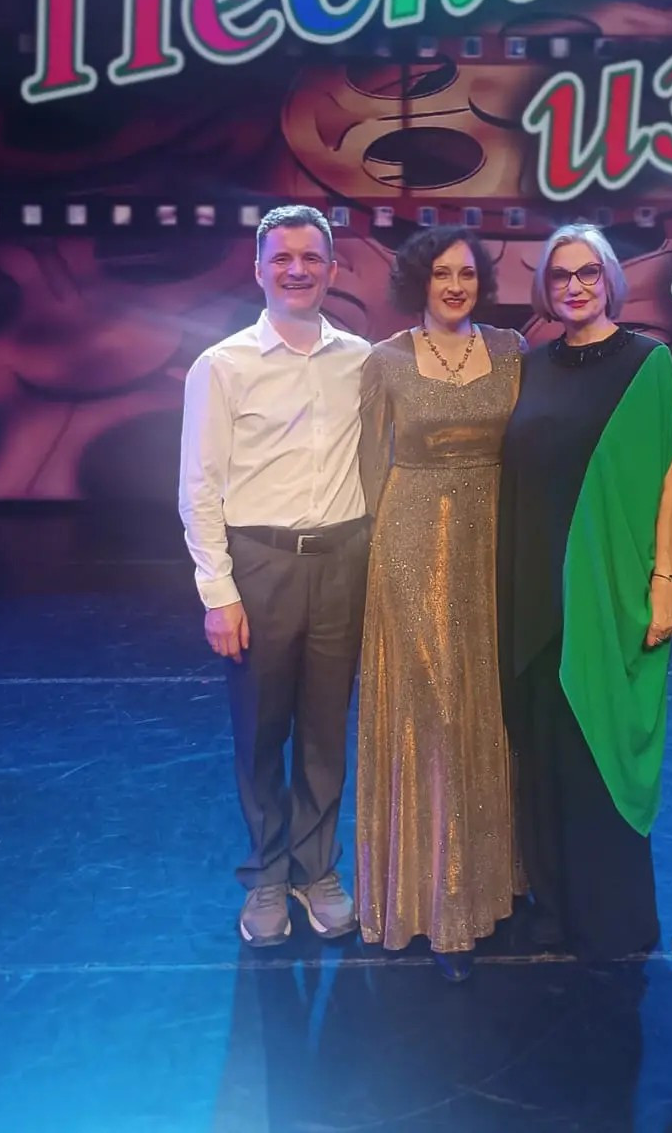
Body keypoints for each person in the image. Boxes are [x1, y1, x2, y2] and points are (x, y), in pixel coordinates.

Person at [179, 204, 370, 947]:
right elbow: (199, 488)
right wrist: (218, 592)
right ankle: (266, 872)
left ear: (332, 269)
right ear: (257, 268)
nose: (297, 270)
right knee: (261, 733)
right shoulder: (222, 365)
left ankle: (317, 871)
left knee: (325, 732)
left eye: (311, 257)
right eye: (282, 257)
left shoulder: (362, 359)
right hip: (258, 566)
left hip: (342, 562)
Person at [498, 224, 672, 961]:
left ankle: (612, 918)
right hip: (532, 589)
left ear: (610, 279)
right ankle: (552, 908)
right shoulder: (530, 365)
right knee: (543, 755)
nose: (574, 286)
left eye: (588, 273)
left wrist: (665, 580)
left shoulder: (648, 363)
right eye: (560, 275)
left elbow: (669, 476)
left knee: (598, 750)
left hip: (606, 593)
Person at [355, 226, 524, 982]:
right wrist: (373, 567)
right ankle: (431, 899)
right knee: (433, 710)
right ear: (418, 281)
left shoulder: (513, 350)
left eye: (467, 273)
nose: (455, 285)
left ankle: (492, 882)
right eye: (441, 273)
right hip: (410, 542)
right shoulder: (385, 360)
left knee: (488, 705)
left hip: (495, 544)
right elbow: (368, 469)